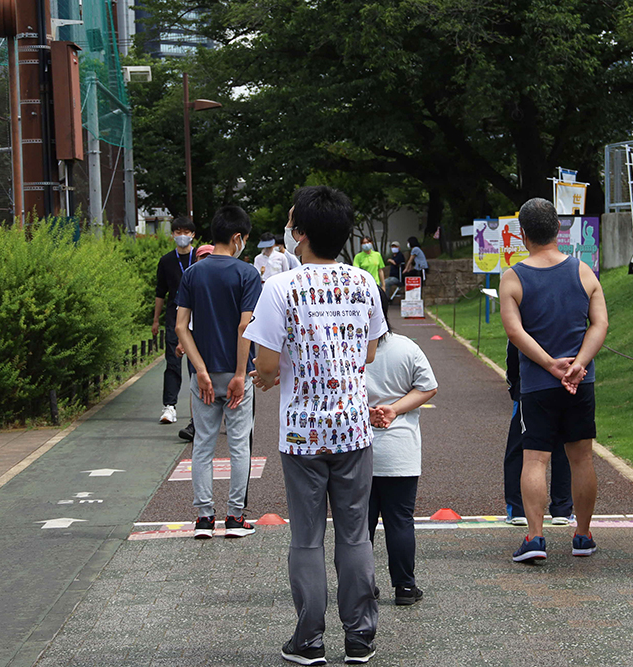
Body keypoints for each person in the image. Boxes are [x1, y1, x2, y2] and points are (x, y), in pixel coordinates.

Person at [245, 185, 386, 666]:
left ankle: (308, 640)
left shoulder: (279, 288)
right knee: (354, 535)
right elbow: (369, 350)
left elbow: (265, 363)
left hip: (302, 429)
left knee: (306, 537)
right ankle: (360, 638)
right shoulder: (364, 284)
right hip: (351, 425)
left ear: (299, 234)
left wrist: (273, 374)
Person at [499, 198, 608, 564]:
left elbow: (514, 332)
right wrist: (578, 364)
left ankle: (534, 537)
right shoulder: (583, 271)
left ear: (522, 233)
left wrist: (550, 365)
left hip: (538, 384)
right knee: (581, 458)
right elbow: (600, 324)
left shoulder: (514, 277)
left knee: (535, 459)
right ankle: (582, 535)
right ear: (559, 230)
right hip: (581, 381)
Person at [175, 206, 262, 541]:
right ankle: (235, 518)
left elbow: (181, 327)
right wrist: (242, 373)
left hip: (204, 374)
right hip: (237, 372)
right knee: (240, 446)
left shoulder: (193, 273)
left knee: (203, 445)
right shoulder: (247, 273)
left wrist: (200, 370)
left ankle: (204, 518)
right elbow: (245, 325)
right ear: (237, 238)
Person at [366, 304, 438, 606]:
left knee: (359, 526)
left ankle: (362, 586)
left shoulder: (347, 351)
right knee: (399, 520)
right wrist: (395, 409)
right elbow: (428, 387)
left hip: (359, 450)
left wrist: (366, 412)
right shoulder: (407, 347)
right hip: (401, 450)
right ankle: (405, 587)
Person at [503, 340, 573, 526]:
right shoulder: (573, 314)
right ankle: (562, 509)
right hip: (566, 385)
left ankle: (518, 509)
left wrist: (515, 387)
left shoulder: (526, 315)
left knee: (523, 449)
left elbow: (513, 354)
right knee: (565, 447)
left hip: (529, 388)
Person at [153, 218, 197, 424]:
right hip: (173, 318)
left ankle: (203, 408)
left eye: (186, 231)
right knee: (173, 363)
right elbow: (160, 292)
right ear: (172, 235)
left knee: (198, 365)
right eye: (178, 231)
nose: (182, 235)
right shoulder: (166, 261)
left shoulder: (200, 257)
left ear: (193, 235)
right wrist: (156, 320)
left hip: (198, 318)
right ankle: (169, 406)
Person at [178, 244, 215, 443]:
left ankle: (220, 416)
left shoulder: (223, 279)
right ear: (197, 260)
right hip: (194, 338)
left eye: (210, 255)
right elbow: (182, 321)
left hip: (217, 340)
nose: (206, 260)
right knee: (195, 379)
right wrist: (181, 341)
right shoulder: (191, 280)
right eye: (203, 257)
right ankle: (194, 422)